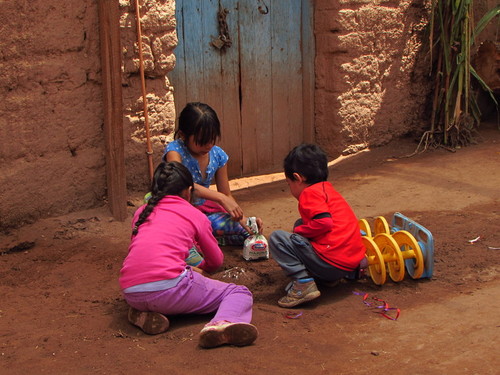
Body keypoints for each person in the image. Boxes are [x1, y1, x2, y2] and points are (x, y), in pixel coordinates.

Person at [119, 161, 258, 348]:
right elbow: (216, 260)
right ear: (188, 191)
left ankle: (140, 314)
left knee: (161, 292)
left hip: (131, 291)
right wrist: (201, 270)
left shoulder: (140, 212)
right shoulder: (193, 213)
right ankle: (222, 324)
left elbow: (145, 252)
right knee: (238, 293)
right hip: (170, 289)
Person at [269, 144, 365, 308]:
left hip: (331, 262)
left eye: (289, 183)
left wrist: (298, 231)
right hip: (349, 263)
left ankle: (303, 284)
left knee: (277, 238)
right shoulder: (328, 190)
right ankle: (328, 278)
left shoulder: (309, 193)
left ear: (298, 178)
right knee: (302, 222)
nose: (290, 188)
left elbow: (324, 222)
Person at [164, 102, 262, 246]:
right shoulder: (174, 152)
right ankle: (200, 240)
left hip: (205, 215)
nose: (208, 145)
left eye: (212, 139)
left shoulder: (218, 155)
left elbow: (226, 195)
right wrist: (220, 198)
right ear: (183, 135)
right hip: (178, 213)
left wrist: (245, 220)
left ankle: (207, 240)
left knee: (247, 233)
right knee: (180, 231)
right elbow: (181, 183)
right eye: (202, 141)